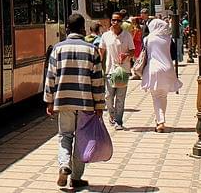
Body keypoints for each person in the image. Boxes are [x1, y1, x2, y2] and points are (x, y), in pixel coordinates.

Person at [44, 13, 105, 189]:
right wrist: (99, 105)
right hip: (86, 103)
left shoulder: (57, 49)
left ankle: (64, 165)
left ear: (67, 29)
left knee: (65, 135)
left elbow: (51, 77)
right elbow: (97, 81)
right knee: (82, 139)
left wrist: (49, 101)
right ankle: (76, 178)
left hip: (64, 101)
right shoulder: (91, 49)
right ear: (83, 29)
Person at [140, 18, 184, 132]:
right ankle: (160, 119)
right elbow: (174, 55)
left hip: (153, 69)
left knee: (156, 97)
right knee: (163, 96)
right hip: (167, 70)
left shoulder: (147, 39)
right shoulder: (169, 39)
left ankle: (160, 122)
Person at [99, 11, 135, 130]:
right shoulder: (105, 35)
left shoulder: (127, 35)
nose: (115, 23)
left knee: (120, 97)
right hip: (110, 70)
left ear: (121, 22)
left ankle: (118, 121)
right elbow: (101, 51)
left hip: (123, 71)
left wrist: (126, 55)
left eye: (118, 20)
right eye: (113, 20)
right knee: (108, 96)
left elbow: (133, 51)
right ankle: (112, 115)